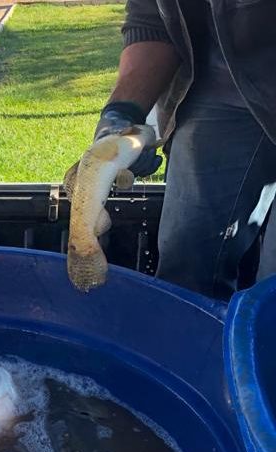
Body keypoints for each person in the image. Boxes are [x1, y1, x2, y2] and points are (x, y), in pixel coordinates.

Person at [93, 0, 276, 300]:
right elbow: (153, 18)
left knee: (274, 289)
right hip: (224, 78)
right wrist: (121, 112)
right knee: (186, 264)